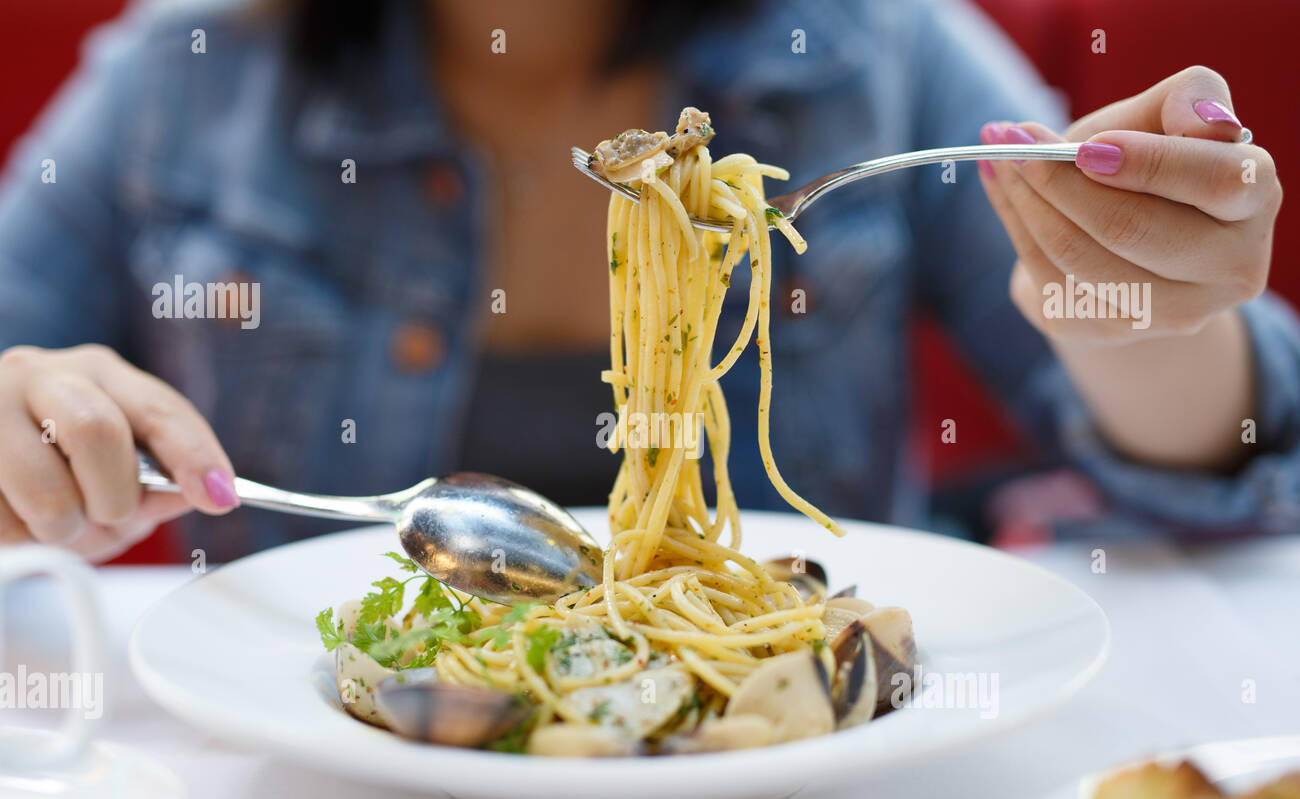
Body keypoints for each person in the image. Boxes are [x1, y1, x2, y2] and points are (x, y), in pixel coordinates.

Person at [0, 0, 1295, 563]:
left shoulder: (869, 43)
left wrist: (1134, 301)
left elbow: (1245, 463)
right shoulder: (188, 71)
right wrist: (29, 420)